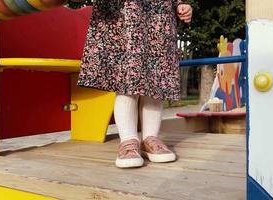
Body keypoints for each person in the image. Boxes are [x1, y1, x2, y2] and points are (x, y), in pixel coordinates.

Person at [77, 0, 193, 168]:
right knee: (127, 81)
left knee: (156, 81)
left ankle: (150, 139)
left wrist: (181, 3)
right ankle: (128, 141)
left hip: (158, 15)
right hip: (125, 15)